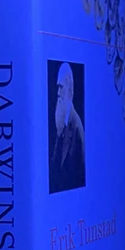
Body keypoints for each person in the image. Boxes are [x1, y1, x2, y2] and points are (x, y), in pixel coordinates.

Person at [50, 62, 86, 193]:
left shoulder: (77, 128)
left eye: (61, 87)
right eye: (57, 87)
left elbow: (80, 178)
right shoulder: (61, 124)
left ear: (69, 89)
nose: (58, 93)